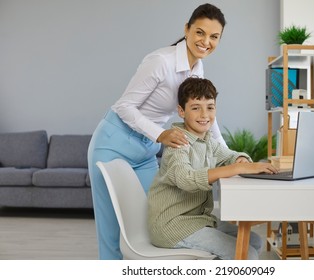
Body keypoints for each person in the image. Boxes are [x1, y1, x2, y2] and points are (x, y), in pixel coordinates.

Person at [87, 3, 227, 260]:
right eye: (199, 32)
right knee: (111, 233)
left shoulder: (197, 69)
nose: (205, 41)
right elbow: (124, 106)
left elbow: (209, 120)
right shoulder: (160, 62)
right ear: (186, 30)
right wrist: (161, 134)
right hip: (114, 142)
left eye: (214, 36)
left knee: (155, 219)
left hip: (145, 150)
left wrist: (230, 155)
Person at [147, 77, 278, 260]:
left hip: (198, 221)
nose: (204, 115)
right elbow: (187, 179)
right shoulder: (178, 143)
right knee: (246, 254)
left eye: (210, 107)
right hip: (173, 226)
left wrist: (240, 159)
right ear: (181, 111)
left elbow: (228, 155)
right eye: (195, 108)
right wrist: (236, 169)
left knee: (253, 241)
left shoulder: (207, 140)